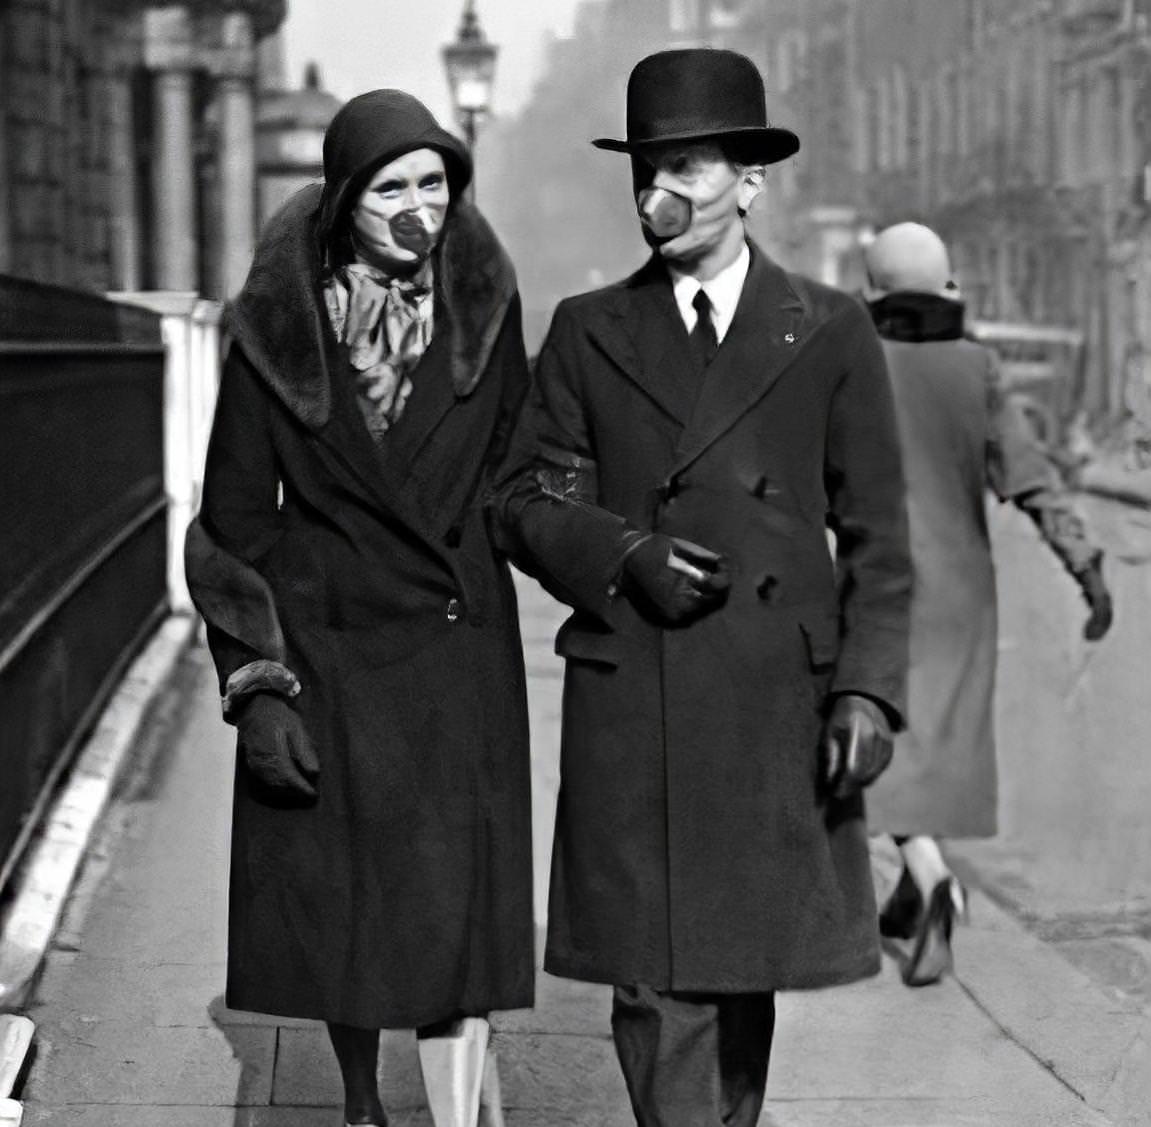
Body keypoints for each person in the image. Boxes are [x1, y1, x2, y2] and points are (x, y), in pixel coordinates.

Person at [489, 49, 911, 1127]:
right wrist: (621, 552)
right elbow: (522, 501)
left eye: (682, 167)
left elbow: (878, 536)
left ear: (750, 182)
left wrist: (865, 689)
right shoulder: (588, 332)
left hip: (774, 700)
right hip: (637, 691)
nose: (654, 196)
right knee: (654, 979)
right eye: (642, 171)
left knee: (735, 978)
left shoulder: (826, 328)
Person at [184, 90, 534, 1127]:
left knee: (457, 906)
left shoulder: (486, 307)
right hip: (332, 646)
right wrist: (256, 682)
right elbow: (232, 522)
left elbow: (522, 472)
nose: (417, 204)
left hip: (458, 638)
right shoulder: (278, 333)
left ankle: (458, 1113)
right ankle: (356, 1100)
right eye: (392, 186)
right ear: (346, 201)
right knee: (352, 899)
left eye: (434, 182)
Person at [861, 221, 1114, 987]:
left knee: (876, 746)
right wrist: (1085, 567)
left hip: (873, 585)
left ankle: (931, 877)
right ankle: (910, 897)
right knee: (933, 748)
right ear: (949, 290)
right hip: (963, 593)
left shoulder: (852, 363)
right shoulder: (981, 369)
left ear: (868, 292)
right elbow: (1032, 479)